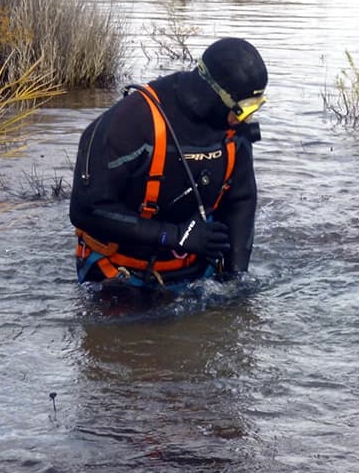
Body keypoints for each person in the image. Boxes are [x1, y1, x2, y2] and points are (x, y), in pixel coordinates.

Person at [69, 37, 267, 298]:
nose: (246, 120)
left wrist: (236, 279)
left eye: (254, 108)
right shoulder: (130, 123)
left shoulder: (232, 129)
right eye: (242, 110)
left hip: (198, 276)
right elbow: (85, 210)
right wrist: (172, 236)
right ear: (214, 93)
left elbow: (242, 198)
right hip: (118, 277)